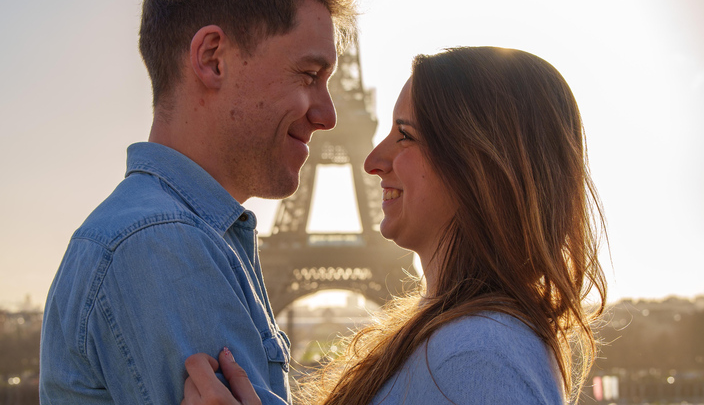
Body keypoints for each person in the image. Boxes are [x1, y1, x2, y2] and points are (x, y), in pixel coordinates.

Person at [183, 46, 608, 405]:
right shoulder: (463, 341)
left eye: (404, 135)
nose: (372, 160)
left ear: (478, 166)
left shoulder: (482, 353)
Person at [39, 0, 358, 404]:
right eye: (309, 75)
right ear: (213, 60)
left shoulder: (165, 234)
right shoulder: (162, 242)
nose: (328, 115)